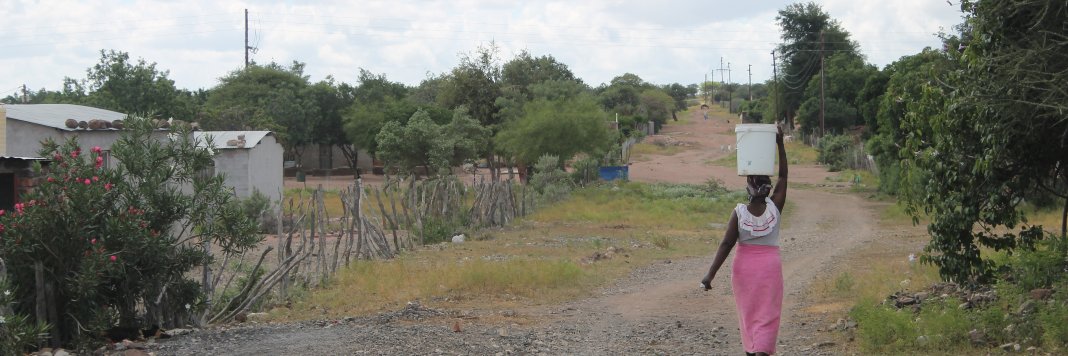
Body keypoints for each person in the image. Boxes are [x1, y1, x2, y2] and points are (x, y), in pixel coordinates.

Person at [701, 125, 788, 356]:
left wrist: (710, 274)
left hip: (744, 269)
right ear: (768, 188)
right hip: (769, 267)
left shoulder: (739, 212)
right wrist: (780, 144)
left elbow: (726, 245)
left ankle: (753, 350)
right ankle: (763, 350)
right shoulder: (775, 207)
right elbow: (784, 176)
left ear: (749, 187)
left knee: (749, 313)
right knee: (768, 313)